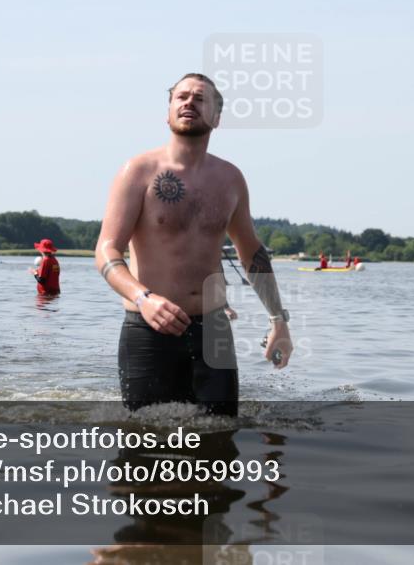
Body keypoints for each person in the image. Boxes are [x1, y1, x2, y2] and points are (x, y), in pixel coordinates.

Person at [95, 72, 293, 417]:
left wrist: (279, 320)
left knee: (221, 434)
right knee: (146, 438)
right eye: (182, 97)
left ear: (217, 117)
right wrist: (143, 298)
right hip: (150, 328)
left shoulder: (230, 179)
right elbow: (106, 251)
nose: (189, 103)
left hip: (213, 332)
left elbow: (252, 254)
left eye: (200, 99)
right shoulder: (138, 171)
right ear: (168, 112)